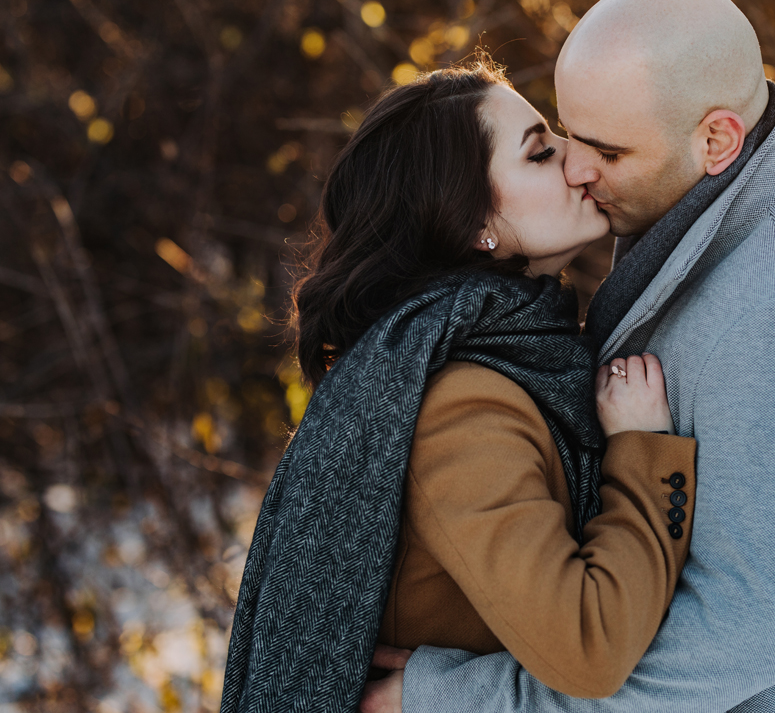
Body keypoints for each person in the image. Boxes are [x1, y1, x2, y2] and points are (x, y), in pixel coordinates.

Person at [391, 0, 775, 712]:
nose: (576, 168)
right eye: (567, 134)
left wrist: (448, 701)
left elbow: (726, 643)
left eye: (607, 152)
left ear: (717, 139)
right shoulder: (774, 187)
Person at [218, 57, 700, 713]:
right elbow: (592, 646)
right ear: (474, 224)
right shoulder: (464, 408)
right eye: (540, 153)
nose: (579, 160)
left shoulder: (521, 354)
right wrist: (642, 453)